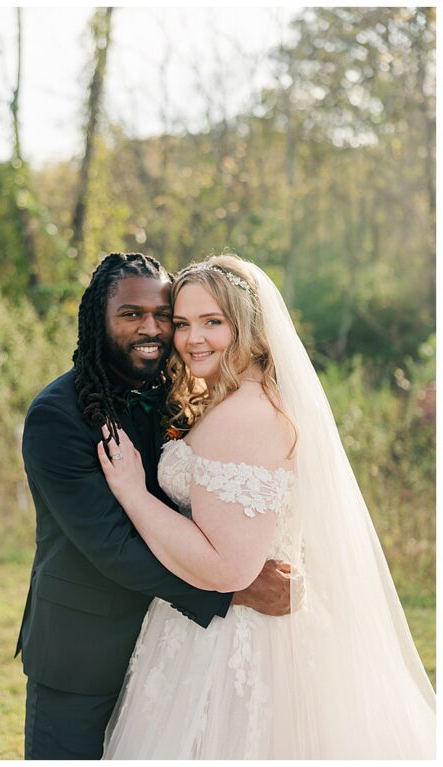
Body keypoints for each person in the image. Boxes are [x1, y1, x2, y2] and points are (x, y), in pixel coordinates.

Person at [98, 255, 435, 758]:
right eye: (184, 323)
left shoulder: (244, 416)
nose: (193, 339)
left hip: (235, 643)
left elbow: (227, 567)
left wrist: (133, 493)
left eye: (214, 322)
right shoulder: (238, 398)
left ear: (249, 327)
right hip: (222, 627)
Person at [16, 252, 292, 760]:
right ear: (98, 319)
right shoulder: (56, 416)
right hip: (83, 649)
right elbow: (112, 545)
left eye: (164, 316)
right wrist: (232, 593)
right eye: (131, 314)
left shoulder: (178, 396)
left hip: (171, 647)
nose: (153, 329)